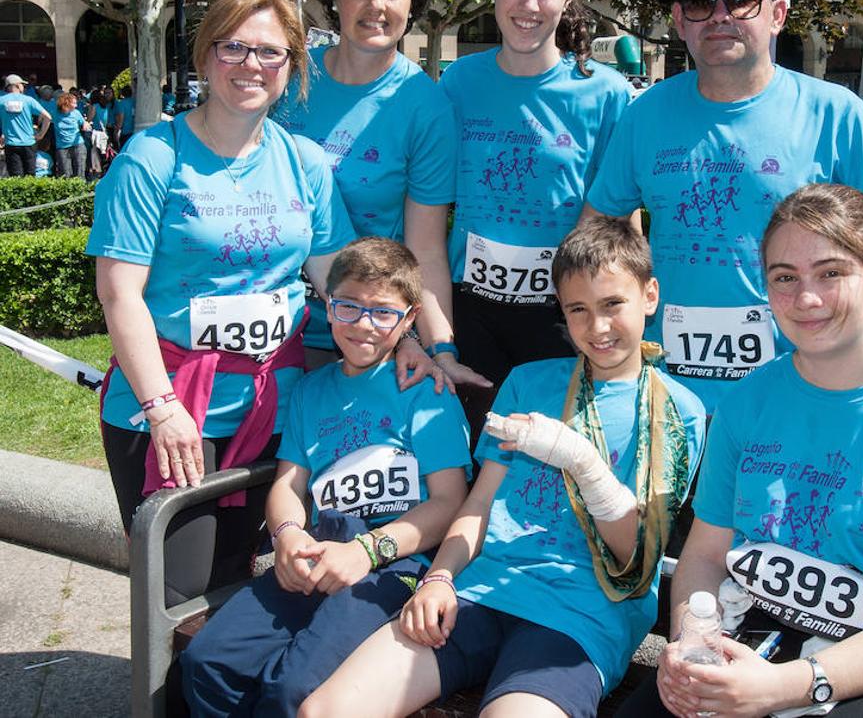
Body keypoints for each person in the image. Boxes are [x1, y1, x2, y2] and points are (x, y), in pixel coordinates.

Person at [301, 217, 707, 718]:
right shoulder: (529, 382)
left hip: (579, 616)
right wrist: (440, 578)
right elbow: (479, 504)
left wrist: (581, 461)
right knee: (324, 711)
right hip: (481, 590)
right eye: (578, 309)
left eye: (612, 304)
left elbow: (636, 557)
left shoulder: (674, 410)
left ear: (650, 296)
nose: (597, 327)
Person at [617, 183, 863, 718]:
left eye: (831, 273)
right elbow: (703, 555)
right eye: (784, 277)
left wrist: (785, 687)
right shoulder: (748, 403)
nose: (805, 299)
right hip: (753, 637)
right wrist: (693, 646)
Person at [585, 0, 863, 417]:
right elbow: (596, 235)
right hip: (669, 404)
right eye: (699, 1)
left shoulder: (833, 114)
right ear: (679, 22)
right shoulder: (645, 114)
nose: (720, 14)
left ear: (777, 14)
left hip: (804, 401)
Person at [86, 0, 356, 606]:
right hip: (173, 407)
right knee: (178, 594)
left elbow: (337, 275)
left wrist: (406, 339)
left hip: (275, 407)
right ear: (206, 56)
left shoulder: (306, 162)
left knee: (239, 580)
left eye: (270, 52)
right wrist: (162, 408)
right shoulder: (151, 158)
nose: (251, 65)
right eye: (234, 47)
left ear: (292, 67)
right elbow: (119, 294)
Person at [181, 237, 472, 716]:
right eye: (348, 307)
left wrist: (367, 551)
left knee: (293, 688)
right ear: (327, 305)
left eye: (383, 312)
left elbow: (448, 502)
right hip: (318, 551)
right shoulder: (310, 391)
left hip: (396, 562)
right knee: (208, 663)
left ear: (409, 317)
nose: (363, 324)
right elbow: (288, 484)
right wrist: (288, 535)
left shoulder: (425, 392)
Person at [272, 0, 479, 393]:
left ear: (413, 4)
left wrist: (440, 348)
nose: (376, 5)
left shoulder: (425, 106)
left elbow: (423, 246)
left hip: (374, 339)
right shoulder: (287, 79)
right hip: (276, 333)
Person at [442, 0, 633, 434]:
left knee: (558, 467)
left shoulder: (606, 94)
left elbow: (621, 221)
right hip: (472, 314)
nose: (529, 3)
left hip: (563, 317)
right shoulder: (457, 82)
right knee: (480, 464)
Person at [0, 73, 51, 176]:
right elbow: (48, 117)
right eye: (23, 85)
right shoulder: (29, 100)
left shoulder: (1, 101)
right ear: (18, 85)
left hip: (11, 143)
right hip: (29, 142)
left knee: (15, 176)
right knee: (30, 175)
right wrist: (41, 134)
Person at [52, 91, 90, 179]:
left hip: (78, 144)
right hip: (62, 146)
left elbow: (84, 122)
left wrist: (85, 125)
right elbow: (46, 118)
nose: (76, 105)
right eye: (74, 103)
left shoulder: (76, 113)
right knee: (65, 173)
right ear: (66, 103)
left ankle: (81, 190)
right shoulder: (55, 113)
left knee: (80, 171)